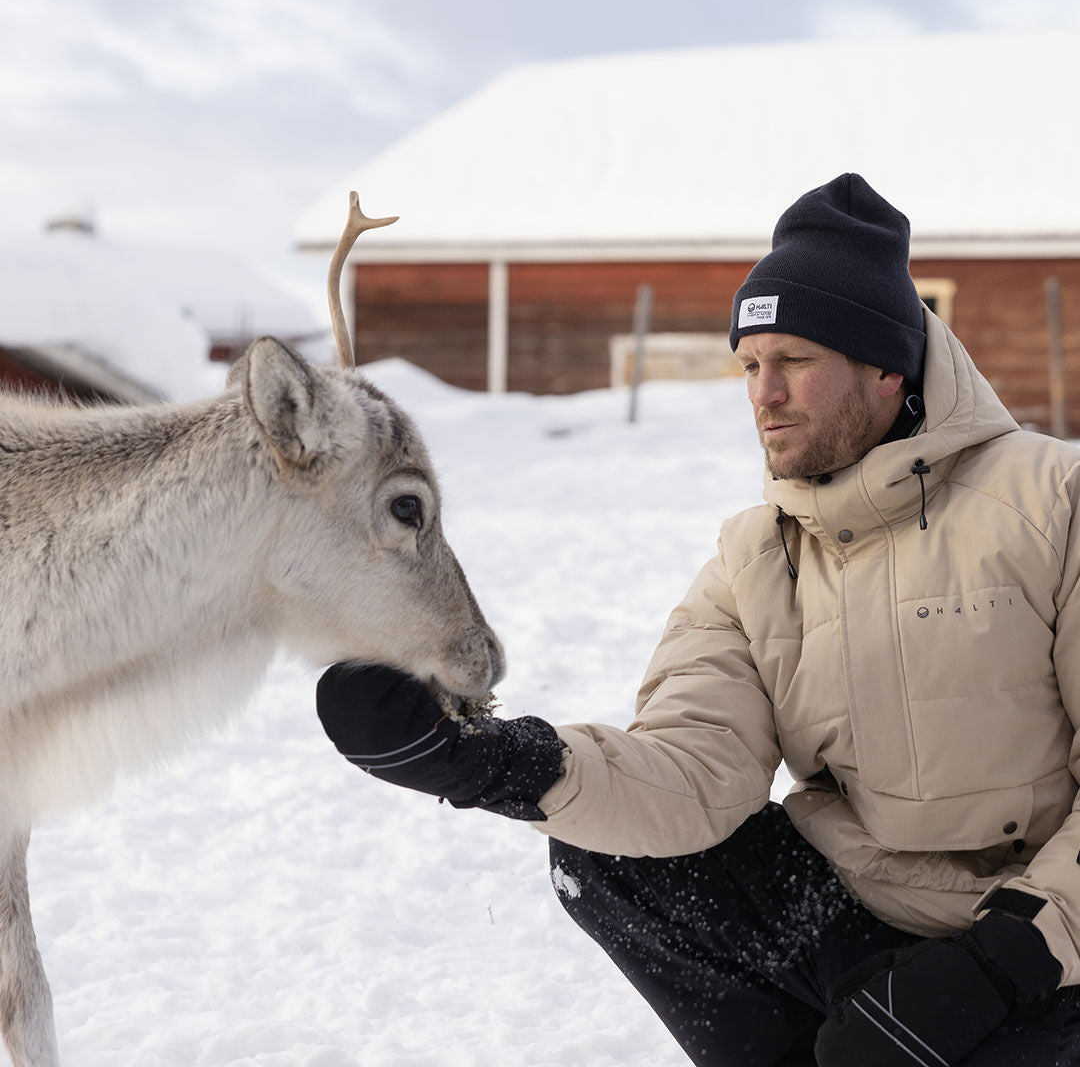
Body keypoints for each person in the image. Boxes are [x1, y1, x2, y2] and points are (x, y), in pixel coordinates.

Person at [315, 174, 1080, 1066]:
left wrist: (997, 965)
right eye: (750, 364)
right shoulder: (754, 558)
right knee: (604, 852)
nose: (765, 394)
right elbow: (691, 774)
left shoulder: (1050, 504)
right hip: (857, 925)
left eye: (795, 360)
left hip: (1039, 947)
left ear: (885, 366)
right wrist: (489, 762)